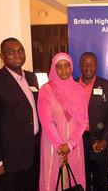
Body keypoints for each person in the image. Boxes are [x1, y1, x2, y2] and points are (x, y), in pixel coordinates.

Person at [0, 37, 40, 191]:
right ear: (2, 56)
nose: (17, 55)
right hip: (9, 159)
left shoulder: (32, 77)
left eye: (20, 50)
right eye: (11, 52)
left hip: (33, 154)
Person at [38, 52, 88, 191]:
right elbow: (46, 121)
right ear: (54, 68)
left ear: (71, 67)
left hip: (74, 144)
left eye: (67, 65)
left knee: (73, 180)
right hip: (53, 144)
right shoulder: (46, 90)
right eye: (59, 66)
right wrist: (61, 148)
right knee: (53, 179)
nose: (64, 69)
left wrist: (70, 145)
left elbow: (83, 121)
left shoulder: (79, 89)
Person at [75, 52, 108, 191]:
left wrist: (105, 139)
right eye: (85, 63)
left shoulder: (107, 85)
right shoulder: (72, 85)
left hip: (100, 141)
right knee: (82, 180)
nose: (88, 67)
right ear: (80, 65)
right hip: (79, 142)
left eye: (92, 63)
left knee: (101, 181)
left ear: (97, 65)